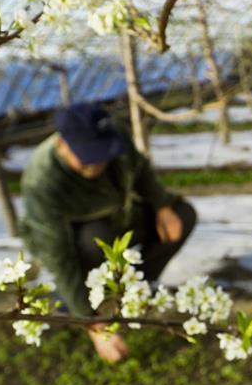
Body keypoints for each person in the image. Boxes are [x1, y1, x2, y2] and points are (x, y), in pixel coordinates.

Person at [19, 102, 197, 362]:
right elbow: (59, 255)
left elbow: (141, 171)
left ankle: (134, 291)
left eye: (103, 153)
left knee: (183, 217)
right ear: (63, 145)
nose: (99, 162)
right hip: (79, 236)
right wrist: (94, 326)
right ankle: (86, 302)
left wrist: (162, 207)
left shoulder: (115, 138)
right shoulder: (43, 180)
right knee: (93, 241)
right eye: (89, 156)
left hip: (120, 214)